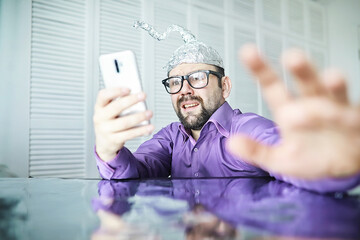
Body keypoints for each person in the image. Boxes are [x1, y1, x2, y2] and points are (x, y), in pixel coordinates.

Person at [93, 21, 360, 193]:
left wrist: (328, 168)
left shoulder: (250, 129)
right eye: (175, 82)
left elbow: (295, 159)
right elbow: (136, 170)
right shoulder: (170, 138)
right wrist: (109, 150)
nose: (184, 89)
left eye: (197, 78)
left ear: (225, 87)